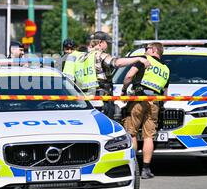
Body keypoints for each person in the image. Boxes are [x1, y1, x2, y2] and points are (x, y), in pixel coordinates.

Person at [65, 31, 150, 117]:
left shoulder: (80, 58)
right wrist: (139, 59)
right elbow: (117, 63)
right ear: (100, 42)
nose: (108, 46)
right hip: (101, 101)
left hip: (86, 101)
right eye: (107, 43)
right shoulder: (98, 55)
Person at [121, 42, 170, 179]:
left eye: (146, 48)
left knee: (132, 132)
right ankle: (146, 170)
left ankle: (133, 167)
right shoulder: (165, 69)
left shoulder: (144, 60)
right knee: (149, 136)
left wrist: (124, 90)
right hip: (154, 102)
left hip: (139, 99)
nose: (145, 51)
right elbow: (165, 93)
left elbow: (129, 76)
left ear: (154, 50)